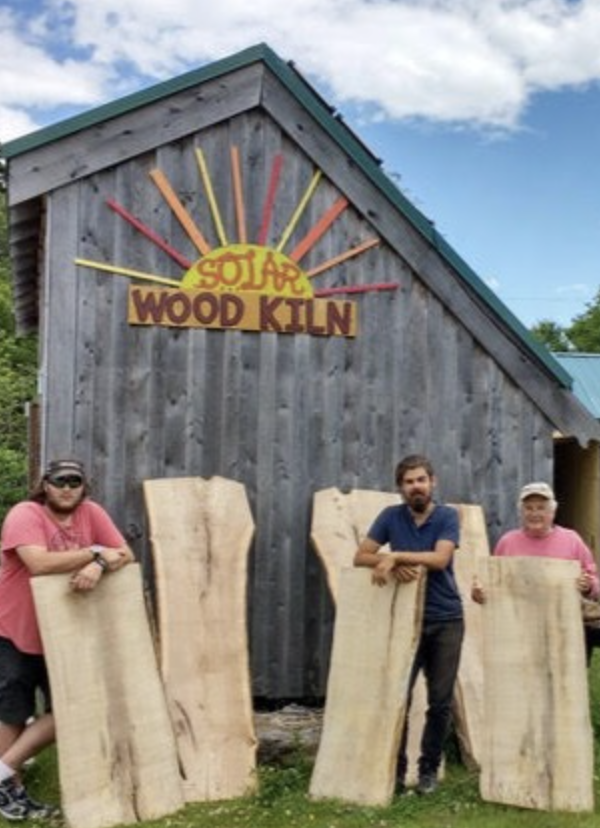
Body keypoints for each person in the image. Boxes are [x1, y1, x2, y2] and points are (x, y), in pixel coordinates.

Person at [0, 459, 134, 821]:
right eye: (59, 481)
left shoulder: (91, 513)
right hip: (15, 629)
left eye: (75, 481)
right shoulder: (25, 513)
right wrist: (94, 552)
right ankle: (12, 794)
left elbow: (125, 553)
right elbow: (38, 563)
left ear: (83, 486)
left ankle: (2, 771)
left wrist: (101, 565)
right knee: (12, 712)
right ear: (45, 484)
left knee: (74, 709)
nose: (67, 488)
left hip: (66, 634)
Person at [353, 454, 463, 796]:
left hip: (446, 619)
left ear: (433, 482)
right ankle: (396, 772)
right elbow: (360, 556)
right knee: (398, 696)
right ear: (401, 488)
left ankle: (427, 771)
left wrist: (396, 556)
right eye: (408, 481)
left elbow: (440, 558)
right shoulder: (391, 517)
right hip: (404, 619)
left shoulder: (447, 516)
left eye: (421, 480)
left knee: (440, 701)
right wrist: (386, 558)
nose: (415, 487)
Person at [472, 481, 599, 660]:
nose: (535, 513)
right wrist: (479, 592)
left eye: (541, 508)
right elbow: (491, 584)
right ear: (521, 512)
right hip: (518, 632)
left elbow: (594, 583)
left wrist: (587, 585)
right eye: (529, 508)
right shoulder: (507, 542)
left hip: (563, 631)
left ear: (552, 511)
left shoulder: (572, 540)